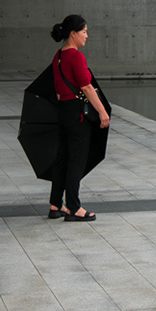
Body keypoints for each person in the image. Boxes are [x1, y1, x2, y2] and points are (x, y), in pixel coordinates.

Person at [48, 15, 110, 221]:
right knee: (76, 160)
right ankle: (74, 207)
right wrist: (102, 111)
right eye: (84, 32)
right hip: (77, 113)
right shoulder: (76, 57)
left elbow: (58, 91)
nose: (87, 36)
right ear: (73, 34)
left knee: (62, 158)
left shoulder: (57, 56)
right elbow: (86, 86)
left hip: (63, 110)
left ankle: (56, 204)